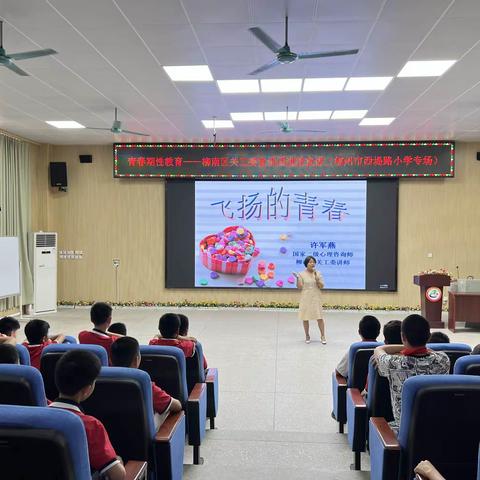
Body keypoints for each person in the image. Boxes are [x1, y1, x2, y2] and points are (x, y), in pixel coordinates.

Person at [49, 350, 125, 480]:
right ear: (87, 389)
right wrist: (118, 460)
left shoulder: (38, 416)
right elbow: (118, 475)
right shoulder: (90, 425)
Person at [374, 314, 450, 433]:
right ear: (429, 336)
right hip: (437, 427)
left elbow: (379, 350)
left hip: (404, 430)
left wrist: (404, 346)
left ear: (403, 336)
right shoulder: (443, 360)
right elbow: (430, 351)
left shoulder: (393, 363)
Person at [111, 337, 182, 428]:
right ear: (136, 360)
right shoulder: (142, 382)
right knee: (166, 410)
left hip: (110, 430)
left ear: (110, 359)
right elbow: (176, 406)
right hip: (139, 434)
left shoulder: (100, 379)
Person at [293, 256, 326, 344]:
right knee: (305, 317)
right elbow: (299, 287)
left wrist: (316, 278)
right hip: (305, 298)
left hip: (316, 298)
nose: (312, 264)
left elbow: (322, 286)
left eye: (313, 262)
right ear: (306, 264)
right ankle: (307, 335)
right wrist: (297, 278)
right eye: (310, 262)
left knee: (319, 317)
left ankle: (323, 336)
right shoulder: (301, 274)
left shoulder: (317, 273)